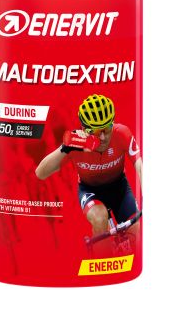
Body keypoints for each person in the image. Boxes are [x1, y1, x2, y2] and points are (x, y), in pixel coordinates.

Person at [35, 94, 142, 252]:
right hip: (90, 191)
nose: (103, 137)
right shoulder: (76, 143)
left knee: (136, 231)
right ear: (85, 130)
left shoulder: (122, 133)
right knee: (99, 218)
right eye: (97, 131)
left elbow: (139, 165)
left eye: (107, 129)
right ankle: (100, 259)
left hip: (119, 188)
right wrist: (65, 148)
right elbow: (40, 173)